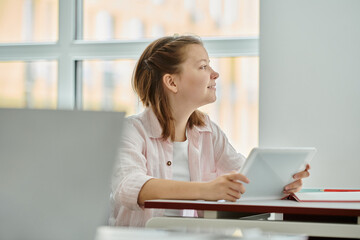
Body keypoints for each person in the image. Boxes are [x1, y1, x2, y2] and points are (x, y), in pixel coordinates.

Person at [109, 35, 310, 227]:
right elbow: (128, 186)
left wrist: (281, 183)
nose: (215, 74)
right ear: (172, 82)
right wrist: (207, 190)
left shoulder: (207, 131)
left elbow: (244, 177)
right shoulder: (131, 131)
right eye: (203, 66)